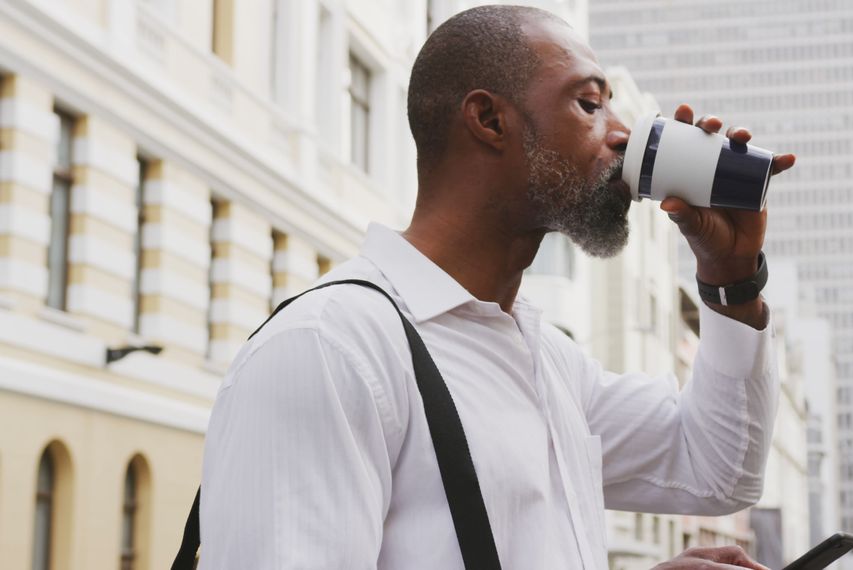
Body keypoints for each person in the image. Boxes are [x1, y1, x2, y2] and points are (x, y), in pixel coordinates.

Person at [198, 5, 796, 569]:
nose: (622, 136)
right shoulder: (329, 349)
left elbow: (717, 470)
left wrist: (731, 277)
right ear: (489, 120)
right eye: (590, 104)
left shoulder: (547, 359)